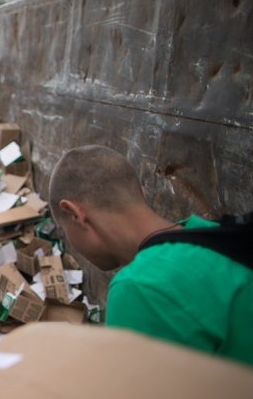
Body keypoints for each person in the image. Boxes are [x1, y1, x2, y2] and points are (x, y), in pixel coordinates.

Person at [48, 145, 253, 366]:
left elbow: (136, 397)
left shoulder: (139, 288)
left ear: (75, 214)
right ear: (142, 194)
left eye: (63, 230)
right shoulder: (216, 235)